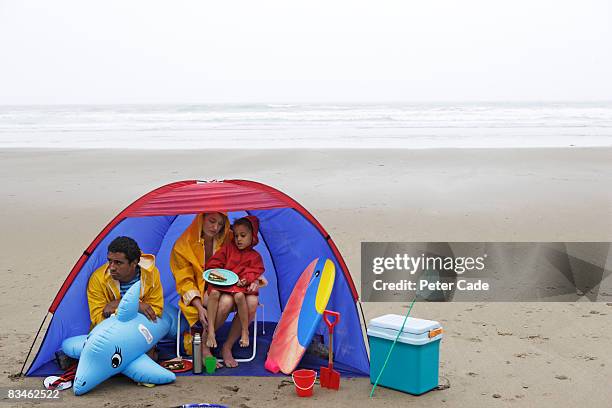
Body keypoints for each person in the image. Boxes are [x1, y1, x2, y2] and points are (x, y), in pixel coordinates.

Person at [170, 212, 266, 368]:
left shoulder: (231, 236)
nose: (216, 228)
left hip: (235, 287)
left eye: (221, 223)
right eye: (212, 221)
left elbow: (249, 260)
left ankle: (227, 347)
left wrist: (253, 279)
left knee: (252, 302)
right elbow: (184, 281)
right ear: (201, 218)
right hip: (204, 293)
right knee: (226, 303)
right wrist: (198, 306)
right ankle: (205, 345)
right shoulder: (182, 246)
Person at [205, 216, 265, 349]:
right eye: (236, 235)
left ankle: (243, 332)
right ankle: (210, 332)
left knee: (240, 297)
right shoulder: (228, 249)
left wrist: (247, 279)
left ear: (253, 236)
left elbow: (256, 270)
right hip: (224, 285)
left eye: (243, 235)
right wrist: (217, 271)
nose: (238, 239)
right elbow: (214, 263)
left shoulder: (255, 256)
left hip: (240, 287)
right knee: (214, 293)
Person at [87, 236, 163, 328]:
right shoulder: (98, 279)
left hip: (141, 331)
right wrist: (137, 307)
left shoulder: (151, 273)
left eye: (118, 263)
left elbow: (156, 311)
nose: (112, 267)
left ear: (134, 263)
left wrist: (118, 304)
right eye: (110, 261)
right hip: (110, 336)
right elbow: (98, 319)